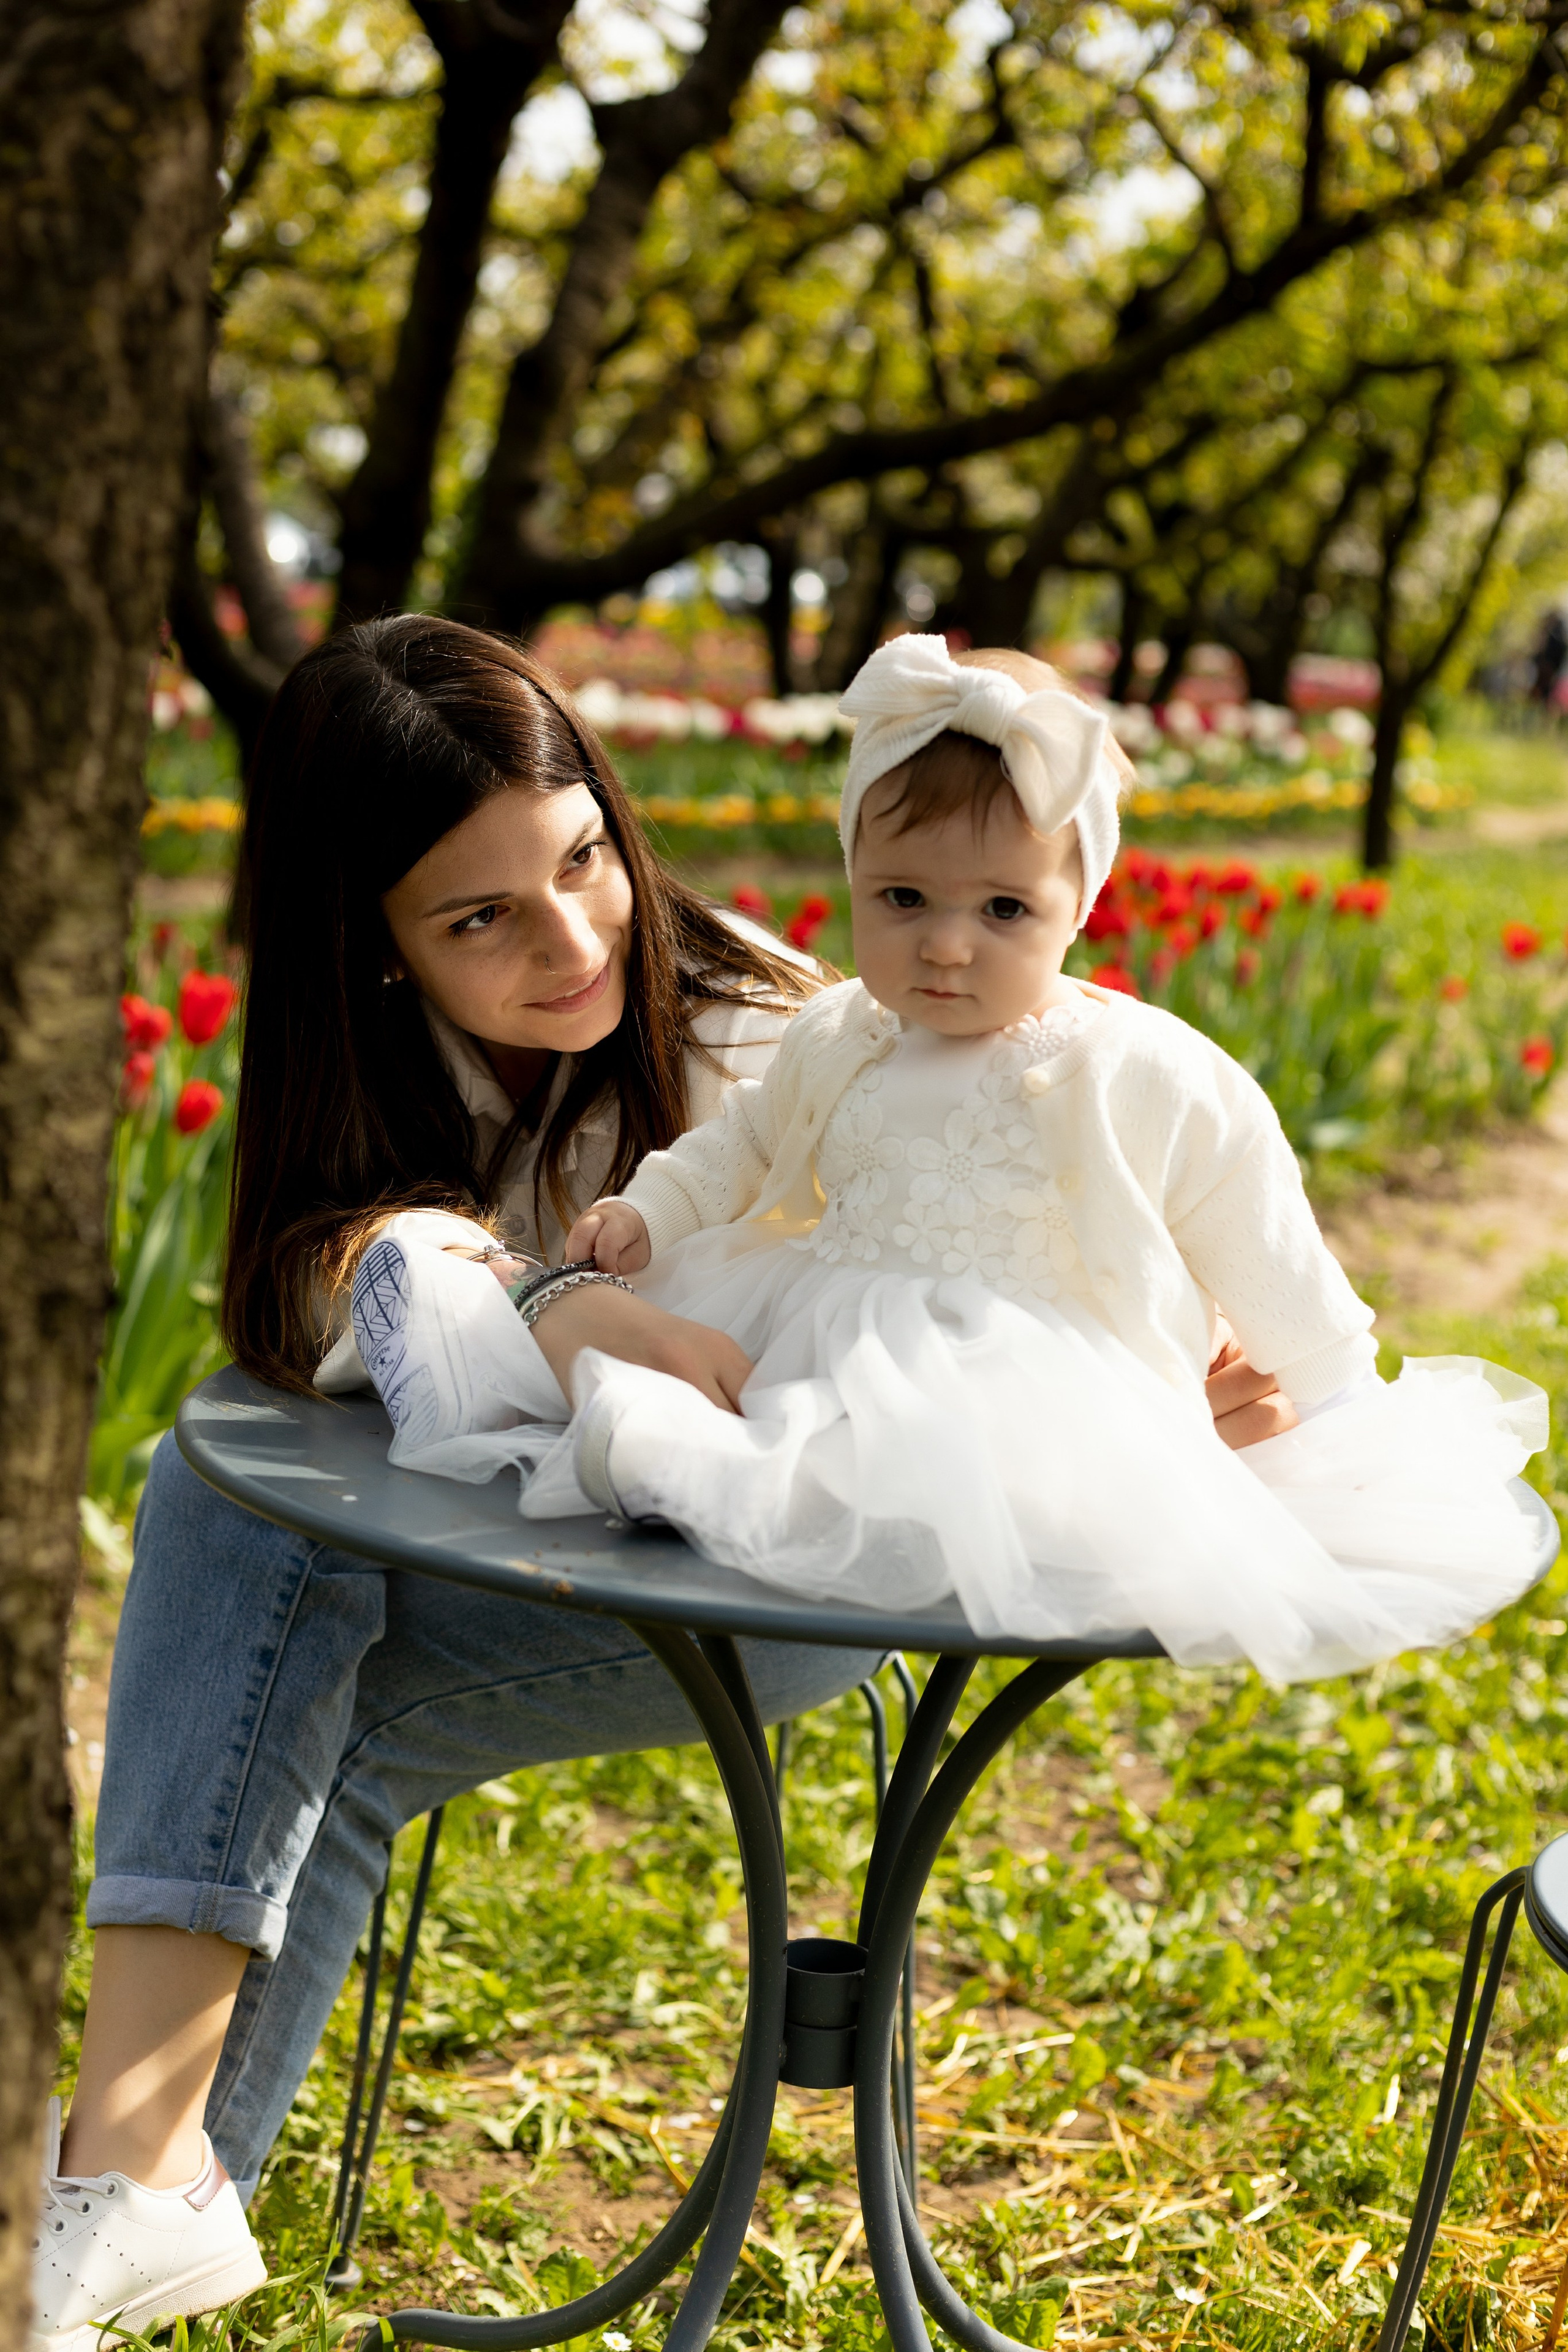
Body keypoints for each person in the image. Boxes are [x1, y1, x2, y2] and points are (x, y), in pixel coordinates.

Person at [37, 617, 1297, 2349]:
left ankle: (105, 2209)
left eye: (582, 861)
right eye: (479, 918)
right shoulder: (372, 1076)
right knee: (267, 1612)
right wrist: (530, 1293)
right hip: (531, 1546)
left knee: (264, 1634)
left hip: (766, 1578)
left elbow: (1043, 1197)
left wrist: (1180, 1356)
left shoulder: (780, 1036)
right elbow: (315, 1298)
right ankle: (121, 2222)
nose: (570, 943)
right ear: (371, 946)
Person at [369, 637, 1547, 1690]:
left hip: (1023, 1366)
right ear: (851, 874)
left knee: (930, 1479)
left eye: (1002, 911)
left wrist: (1333, 1391)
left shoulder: (1134, 1065)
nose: (944, 944)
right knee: (767, 1427)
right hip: (829, 1324)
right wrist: (654, 1211)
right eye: (902, 897)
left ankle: (712, 1486)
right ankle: (673, 1468)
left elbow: (1251, 1215)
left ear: (1077, 906)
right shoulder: (841, 1033)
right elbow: (744, 1142)